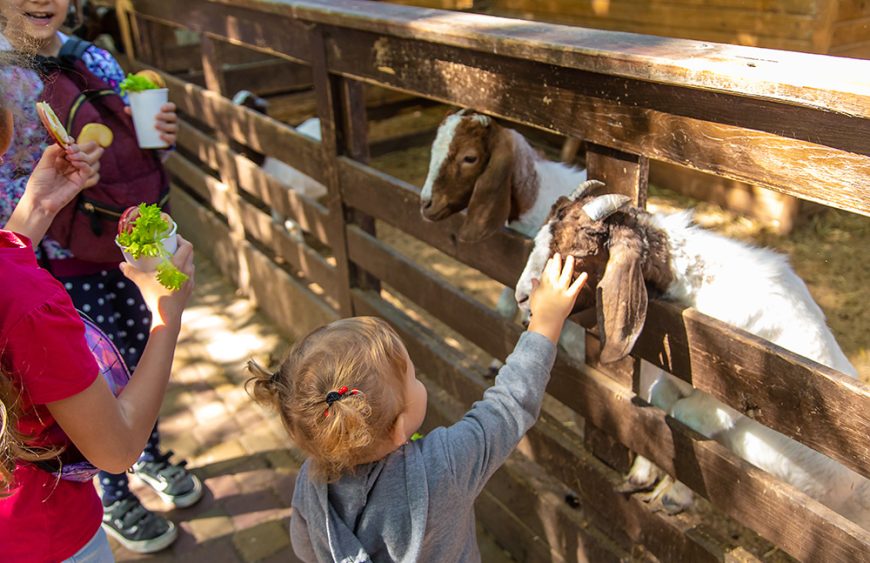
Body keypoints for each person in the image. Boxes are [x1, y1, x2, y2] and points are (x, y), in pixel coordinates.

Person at [0, 0, 201, 552]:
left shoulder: (93, 59)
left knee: (130, 363)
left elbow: (140, 144)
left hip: (106, 251)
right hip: (49, 272)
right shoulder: (27, 299)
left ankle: (150, 454)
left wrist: (159, 130)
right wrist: (169, 314)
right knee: (84, 388)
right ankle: (114, 492)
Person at [248, 253, 588, 561]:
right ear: (398, 430)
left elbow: (305, 549)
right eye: (413, 377)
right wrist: (545, 324)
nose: (419, 379)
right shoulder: (445, 465)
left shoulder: (311, 480)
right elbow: (510, 403)